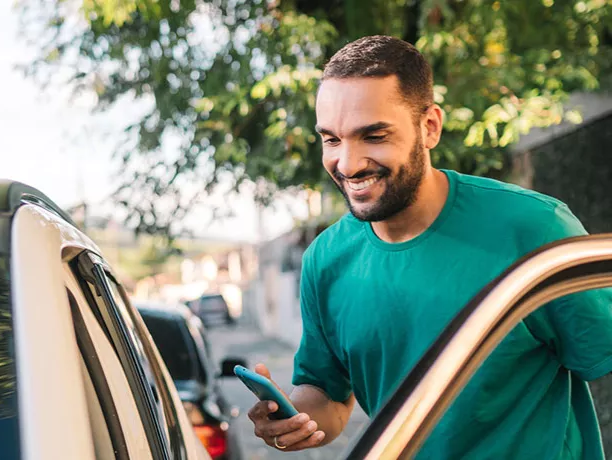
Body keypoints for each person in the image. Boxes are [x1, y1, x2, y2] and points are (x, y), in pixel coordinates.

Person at [247, 35, 612, 459]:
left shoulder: (534, 229)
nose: (347, 164)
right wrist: (293, 421)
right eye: (331, 139)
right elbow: (327, 398)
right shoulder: (325, 261)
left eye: (374, 135)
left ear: (430, 127)